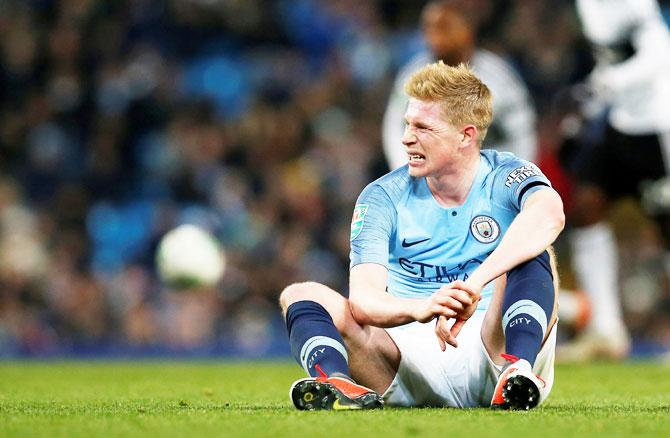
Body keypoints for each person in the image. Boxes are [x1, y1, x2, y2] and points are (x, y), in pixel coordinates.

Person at [279, 62, 565, 410]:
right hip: (404, 361)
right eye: (407, 124)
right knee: (301, 294)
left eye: (423, 127)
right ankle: (338, 384)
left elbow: (550, 213)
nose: (406, 138)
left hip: (493, 344)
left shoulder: (507, 174)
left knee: (536, 252)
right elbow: (364, 300)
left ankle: (518, 371)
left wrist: (473, 285)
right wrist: (423, 308)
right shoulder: (382, 196)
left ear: (466, 135)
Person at [560, 0, 670, 361]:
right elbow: (611, 60)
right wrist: (590, 101)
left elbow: (659, 52)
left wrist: (607, 83)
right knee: (588, 206)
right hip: (621, 122)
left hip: (658, 123)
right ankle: (607, 330)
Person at [383, 0, 537, 170]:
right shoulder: (414, 74)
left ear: (467, 30)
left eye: (445, 27)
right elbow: (394, 128)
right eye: (431, 28)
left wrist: (511, 179)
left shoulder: (498, 75)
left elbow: (522, 131)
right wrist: (409, 172)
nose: (437, 36)